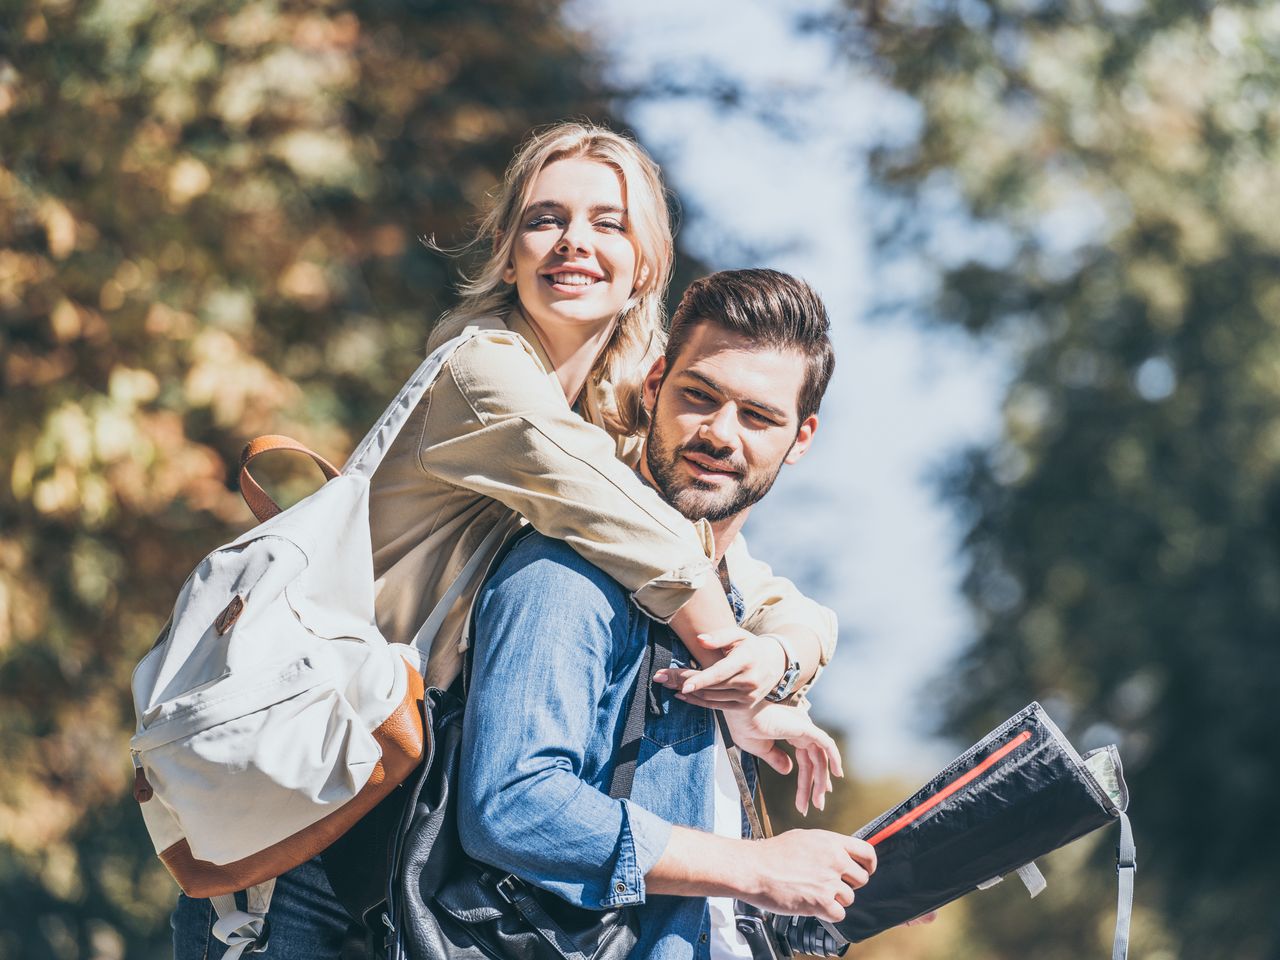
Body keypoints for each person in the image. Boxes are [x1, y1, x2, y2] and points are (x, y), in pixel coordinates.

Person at [172, 124, 840, 958]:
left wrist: (778, 663)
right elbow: (667, 551)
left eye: (609, 223)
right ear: (506, 248)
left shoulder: (596, 422)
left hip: (395, 833)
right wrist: (737, 680)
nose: (574, 243)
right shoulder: (480, 373)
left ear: (647, 266)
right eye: (545, 219)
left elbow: (758, 585)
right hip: (306, 822)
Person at [461, 269, 876, 960]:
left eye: (759, 416)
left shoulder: (735, 610)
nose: (720, 433)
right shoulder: (568, 572)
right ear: (654, 386)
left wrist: (833, 887)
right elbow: (511, 804)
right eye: (698, 397)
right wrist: (759, 866)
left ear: (800, 439)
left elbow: (698, 880)